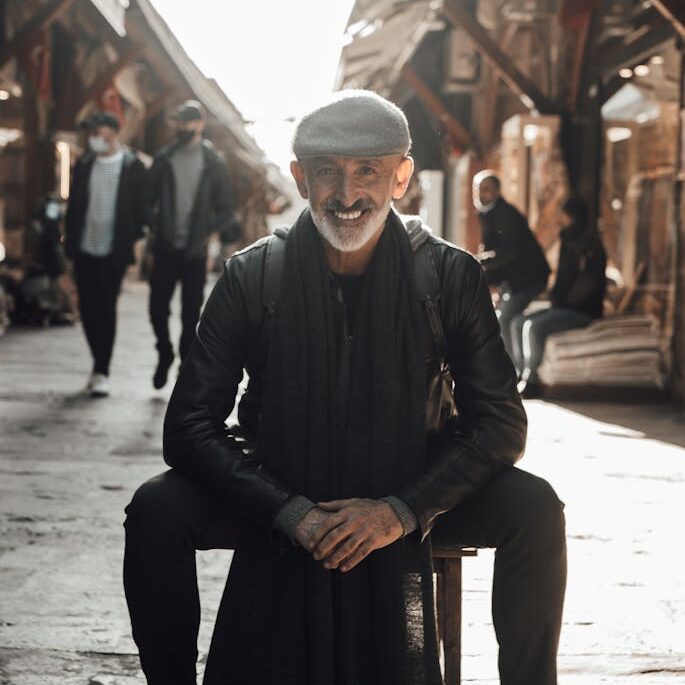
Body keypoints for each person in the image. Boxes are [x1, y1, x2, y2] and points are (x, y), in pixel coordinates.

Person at [123, 91, 566, 685]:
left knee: (535, 508)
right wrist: (288, 511)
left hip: (414, 479)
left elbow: (501, 425)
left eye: (368, 172)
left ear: (402, 176)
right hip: (281, 481)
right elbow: (189, 428)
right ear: (300, 178)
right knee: (156, 508)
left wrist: (402, 511)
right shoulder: (253, 275)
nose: (348, 194)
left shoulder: (449, 276)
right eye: (328, 172)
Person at [147, 100, 235, 390]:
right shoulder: (164, 158)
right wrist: (155, 225)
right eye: (180, 122)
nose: (183, 127)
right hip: (165, 247)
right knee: (157, 308)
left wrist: (205, 231)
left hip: (194, 252)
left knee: (190, 313)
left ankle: (184, 365)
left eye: (189, 122)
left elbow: (225, 208)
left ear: (200, 124)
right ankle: (164, 352)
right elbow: (147, 200)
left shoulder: (214, 162)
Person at [65, 111, 147, 397]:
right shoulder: (85, 164)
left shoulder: (132, 165)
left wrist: (131, 237)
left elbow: (141, 208)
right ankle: (97, 361)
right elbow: (74, 206)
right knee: (86, 309)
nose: (93, 138)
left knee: (105, 307)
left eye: (97, 131)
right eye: (90, 133)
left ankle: (102, 369)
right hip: (84, 248)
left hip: (114, 251)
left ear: (113, 132)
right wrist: (70, 246)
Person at [516, 197, 607, 397]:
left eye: (562, 214)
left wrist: (565, 302)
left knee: (534, 328)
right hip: (564, 305)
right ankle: (519, 373)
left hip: (581, 310)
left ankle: (532, 381)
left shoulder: (587, 244)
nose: (559, 218)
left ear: (570, 216)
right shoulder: (570, 239)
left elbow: (587, 282)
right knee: (520, 322)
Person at [473, 170, 550, 372]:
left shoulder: (505, 215)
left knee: (506, 319)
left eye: (487, 190)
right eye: (478, 190)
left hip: (528, 277)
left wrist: (483, 262)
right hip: (514, 278)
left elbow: (508, 253)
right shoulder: (488, 214)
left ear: (498, 191)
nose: (481, 195)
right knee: (501, 318)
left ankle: (516, 372)